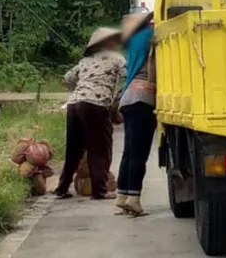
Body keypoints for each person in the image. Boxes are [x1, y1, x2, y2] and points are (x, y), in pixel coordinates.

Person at [54, 28, 126, 200]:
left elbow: (68, 78)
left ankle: (62, 188)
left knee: (74, 149)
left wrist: (78, 92)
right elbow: (128, 76)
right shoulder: (117, 59)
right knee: (100, 148)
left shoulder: (84, 61)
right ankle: (100, 190)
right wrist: (117, 99)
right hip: (96, 105)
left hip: (74, 104)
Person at [115, 12, 157, 217]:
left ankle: (122, 197)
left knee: (129, 151)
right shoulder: (150, 34)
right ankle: (134, 199)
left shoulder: (133, 40)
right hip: (143, 98)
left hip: (128, 98)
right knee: (140, 153)